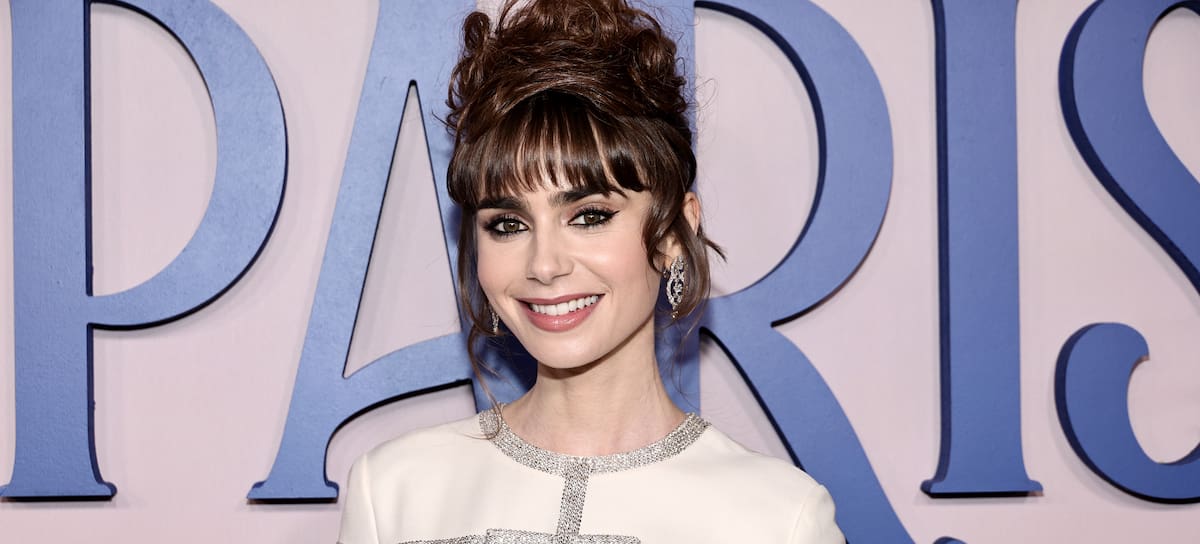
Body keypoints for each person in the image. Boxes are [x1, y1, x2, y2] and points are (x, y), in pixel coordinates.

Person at [337, 1, 844, 542]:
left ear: (675, 234)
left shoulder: (779, 521)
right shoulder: (392, 493)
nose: (544, 265)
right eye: (508, 224)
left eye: (590, 216)